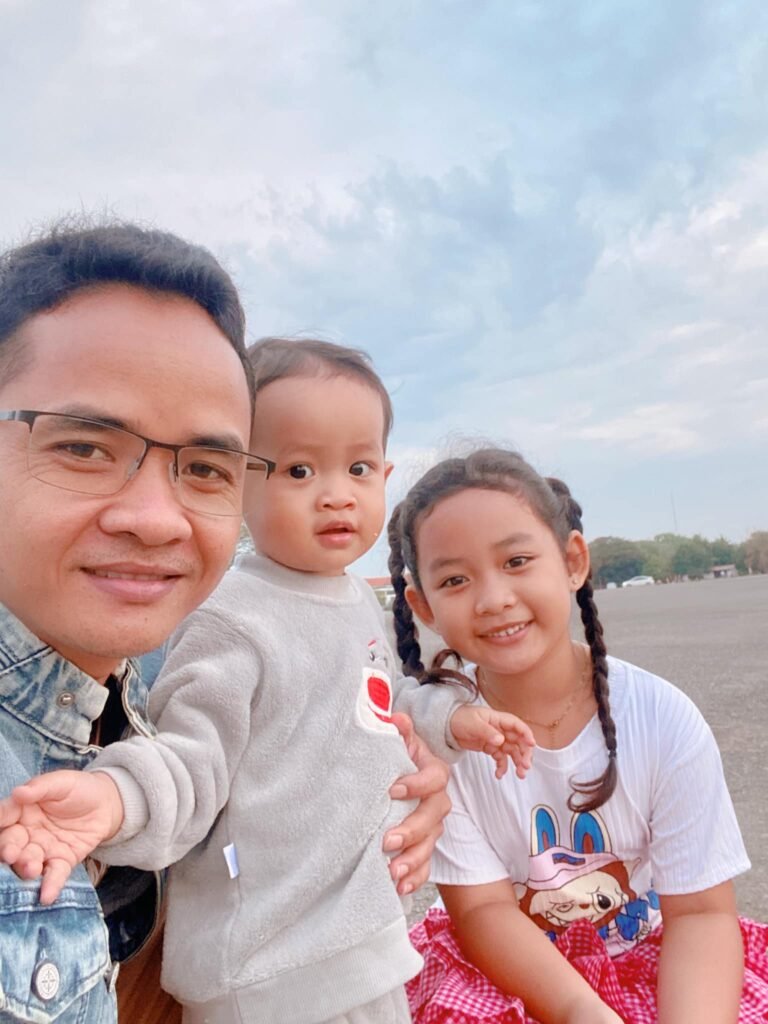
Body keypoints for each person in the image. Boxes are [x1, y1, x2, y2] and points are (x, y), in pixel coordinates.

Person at [0, 341, 534, 1024]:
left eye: (359, 467)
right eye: (300, 469)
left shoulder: (350, 601)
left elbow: (382, 701)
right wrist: (115, 796)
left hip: (362, 941)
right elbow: (192, 758)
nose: (336, 493)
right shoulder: (234, 622)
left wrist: (451, 721)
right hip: (268, 971)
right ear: (236, 478)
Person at [386, 448, 768, 1024]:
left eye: (516, 561)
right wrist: (578, 1012)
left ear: (572, 561)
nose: (494, 599)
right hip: (506, 968)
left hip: (654, 951)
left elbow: (700, 915)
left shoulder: (664, 718)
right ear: (423, 606)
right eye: (456, 578)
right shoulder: (442, 740)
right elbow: (485, 909)